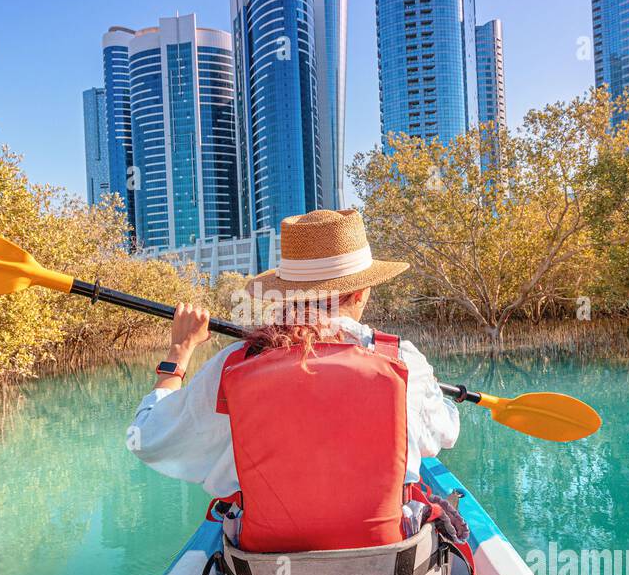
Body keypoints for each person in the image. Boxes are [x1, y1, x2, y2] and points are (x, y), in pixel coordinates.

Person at [127, 208, 459, 552]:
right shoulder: (403, 361)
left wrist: (178, 354)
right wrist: (440, 398)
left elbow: (146, 439)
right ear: (360, 293)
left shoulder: (235, 364)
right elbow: (444, 435)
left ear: (284, 293)